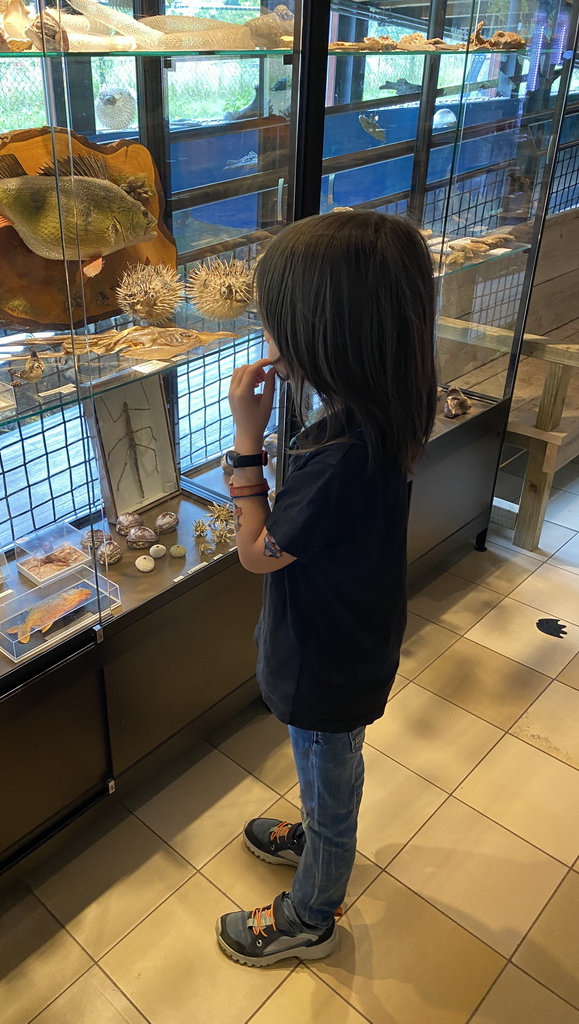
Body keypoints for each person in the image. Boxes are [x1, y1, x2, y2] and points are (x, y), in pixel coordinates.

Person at [216, 210, 437, 967]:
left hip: (325, 662)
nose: (267, 334)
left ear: (326, 335)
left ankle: (312, 911)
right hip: (350, 640)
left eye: (277, 321)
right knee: (329, 765)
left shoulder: (340, 457)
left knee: (330, 772)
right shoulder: (384, 409)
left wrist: (246, 439)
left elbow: (254, 553)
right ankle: (318, 833)